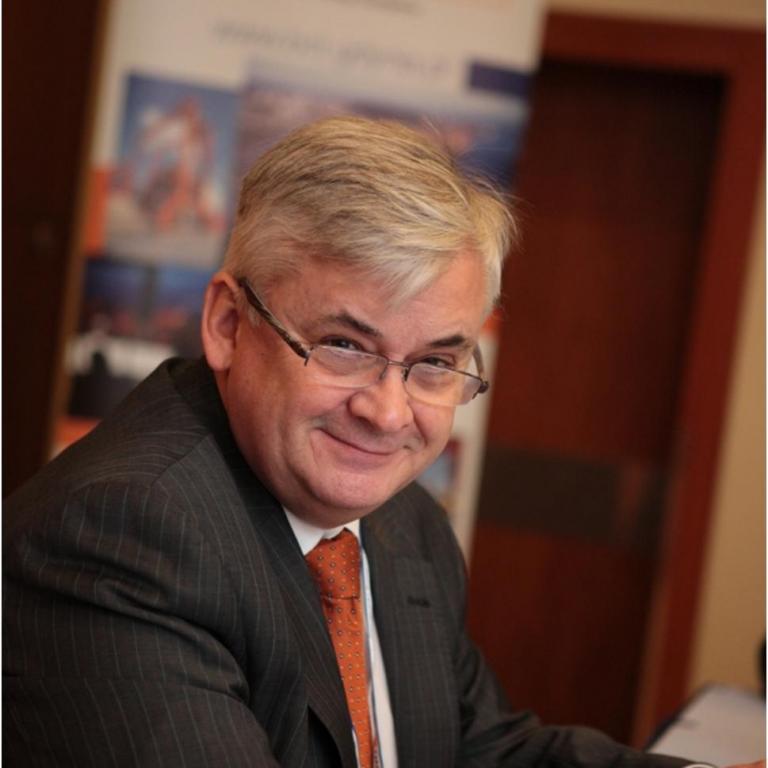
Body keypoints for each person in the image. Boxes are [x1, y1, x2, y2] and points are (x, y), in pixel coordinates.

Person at [2, 116, 745, 767]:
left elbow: (475, 748)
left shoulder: (400, 520)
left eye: (436, 363)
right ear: (228, 325)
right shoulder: (120, 537)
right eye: (344, 346)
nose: (389, 415)